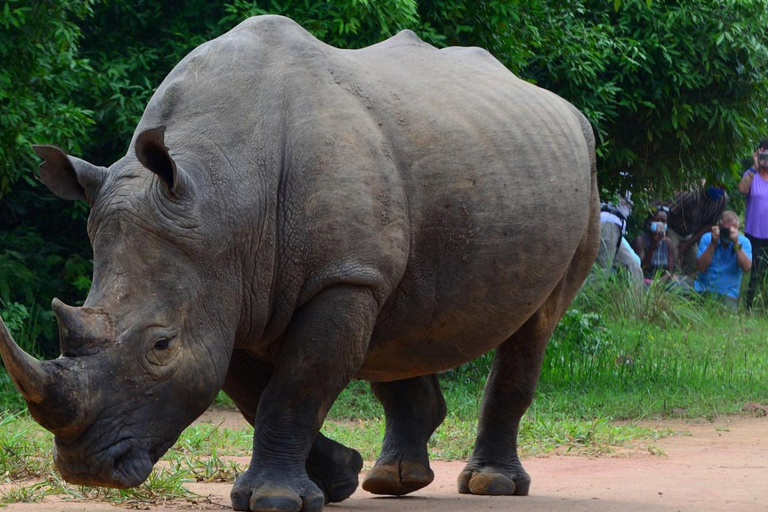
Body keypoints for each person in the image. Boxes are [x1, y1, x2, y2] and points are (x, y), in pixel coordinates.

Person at [664, 181, 729, 276]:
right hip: (672, 227)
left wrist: (688, 243)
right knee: (673, 262)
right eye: (716, 185)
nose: (719, 189)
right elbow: (665, 210)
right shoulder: (691, 193)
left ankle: (684, 287)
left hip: (690, 234)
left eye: (722, 188)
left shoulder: (722, 199)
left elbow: (710, 225)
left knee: (694, 265)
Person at [694, 210, 752, 308]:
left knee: (727, 314)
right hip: (703, 288)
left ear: (737, 229)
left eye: (731, 230)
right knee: (676, 284)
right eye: (725, 230)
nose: (727, 233)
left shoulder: (743, 242)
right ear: (719, 227)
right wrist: (713, 244)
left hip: (728, 294)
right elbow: (700, 267)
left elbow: (746, 268)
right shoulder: (707, 238)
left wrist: (736, 244)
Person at [738, 139, 768, 307]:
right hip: (755, 233)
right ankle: (749, 306)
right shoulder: (752, 175)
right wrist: (755, 166)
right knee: (756, 272)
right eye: (763, 154)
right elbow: (742, 189)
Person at [596, 196, 643, 285]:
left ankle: (635, 298)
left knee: (633, 267)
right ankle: (583, 297)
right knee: (601, 271)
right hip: (608, 223)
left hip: (616, 226)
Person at [633, 207, 675, 281]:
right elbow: (642, 268)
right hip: (644, 279)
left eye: (663, 221)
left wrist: (659, 282)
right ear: (650, 222)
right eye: (657, 220)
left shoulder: (668, 242)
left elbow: (670, 270)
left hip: (661, 281)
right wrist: (653, 245)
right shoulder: (640, 240)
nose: (660, 224)